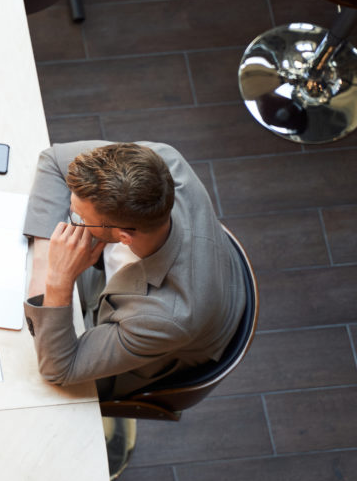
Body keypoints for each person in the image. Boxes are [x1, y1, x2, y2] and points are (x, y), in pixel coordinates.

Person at [22, 141, 246, 399]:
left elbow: (58, 368)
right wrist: (43, 266)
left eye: (79, 218)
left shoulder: (168, 316)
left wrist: (57, 280)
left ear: (124, 237)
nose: (72, 214)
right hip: (115, 280)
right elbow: (53, 161)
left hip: (137, 339)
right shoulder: (162, 162)